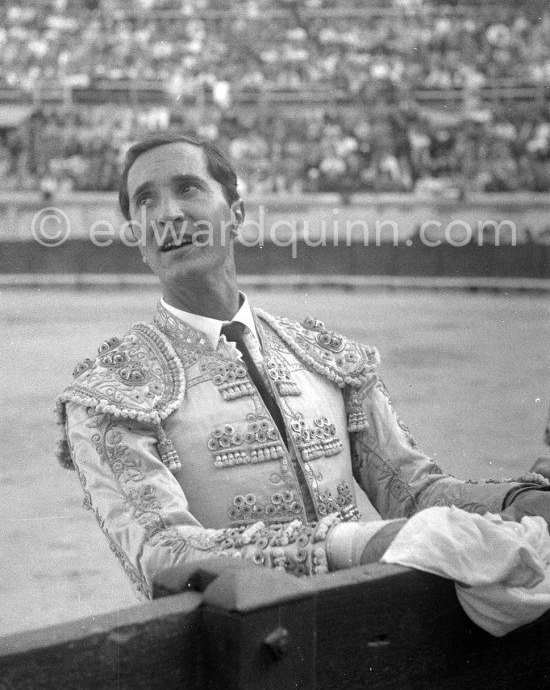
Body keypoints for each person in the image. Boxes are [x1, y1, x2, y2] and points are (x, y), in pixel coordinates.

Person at [56, 133, 550, 600]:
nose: (167, 212)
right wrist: (356, 545)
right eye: (145, 200)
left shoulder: (326, 357)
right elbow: (163, 557)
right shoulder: (109, 394)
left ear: (235, 215)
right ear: (137, 238)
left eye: (188, 188)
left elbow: (415, 495)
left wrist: (516, 502)